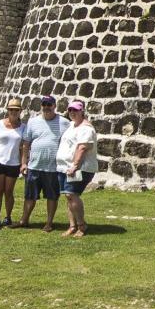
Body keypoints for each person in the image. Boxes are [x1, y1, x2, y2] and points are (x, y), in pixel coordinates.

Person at [19, 94, 68, 230]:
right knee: (30, 196)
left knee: (52, 196)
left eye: (49, 105)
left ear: (54, 106)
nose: (46, 107)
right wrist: (24, 163)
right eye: (44, 105)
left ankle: (49, 222)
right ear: (41, 106)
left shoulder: (64, 122)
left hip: (53, 168)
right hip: (34, 165)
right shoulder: (33, 122)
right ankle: (24, 220)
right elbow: (26, 144)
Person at [56, 99, 99, 238]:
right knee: (68, 196)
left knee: (71, 194)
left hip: (80, 168)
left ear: (82, 111)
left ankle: (81, 225)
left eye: (75, 110)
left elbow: (82, 148)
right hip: (64, 167)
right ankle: (72, 226)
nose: (72, 112)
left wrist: (74, 165)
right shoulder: (72, 125)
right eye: (70, 110)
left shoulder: (86, 128)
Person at [0, 97, 27, 230]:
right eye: (11, 109)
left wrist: (22, 162)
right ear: (7, 110)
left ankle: (8, 217)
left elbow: (24, 145)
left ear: (20, 112)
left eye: (16, 110)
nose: (14, 112)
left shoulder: (24, 127)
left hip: (13, 163)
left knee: (9, 191)